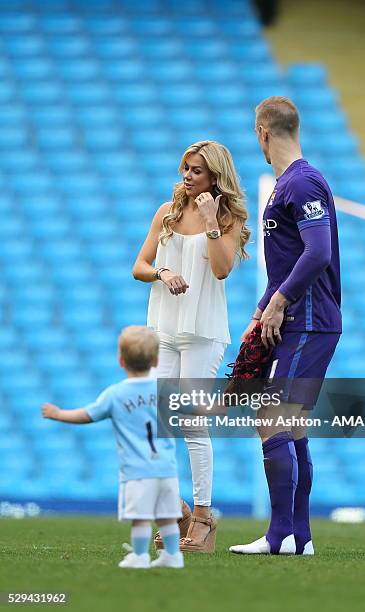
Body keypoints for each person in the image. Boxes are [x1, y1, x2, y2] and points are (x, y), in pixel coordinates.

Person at [229, 96, 342, 556]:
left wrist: (279, 302)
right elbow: (290, 261)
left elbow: (318, 253)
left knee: (271, 416)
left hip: (308, 322)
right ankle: (300, 536)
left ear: (262, 132)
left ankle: (280, 536)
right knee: (291, 424)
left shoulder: (302, 183)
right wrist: (260, 312)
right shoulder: (287, 185)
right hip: (294, 319)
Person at [132, 141, 250, 552]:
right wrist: (163, 272)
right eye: (186, 167)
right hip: (163, 329)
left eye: (196, 170)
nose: (187, 175)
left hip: (202, 331)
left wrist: (211, 220)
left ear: (215, 177)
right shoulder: (166, 213)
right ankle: (178, 510)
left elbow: (220, 270)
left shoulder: (228, 216)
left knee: (191, 422)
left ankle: (203, 517)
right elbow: (139, 266)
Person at [41, 325, 184, 569]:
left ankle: (139, 556)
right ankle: (172, 555)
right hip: (167, 468)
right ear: (156, 360)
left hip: (138, 470)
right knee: (167, 516)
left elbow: (87, 415)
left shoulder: (116, 394)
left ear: (121, 360)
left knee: (140, 518)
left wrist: (59, 414)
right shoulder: (165, 390)